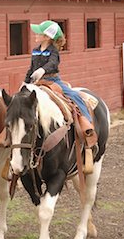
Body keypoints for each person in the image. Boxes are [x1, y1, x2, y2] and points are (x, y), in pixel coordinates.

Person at [24, 20, 97, 159]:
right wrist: (25, 81)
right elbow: (30, 68)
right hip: (36, 82)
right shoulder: (35, 50)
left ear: (47, 37)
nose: (35, 35)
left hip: (52, 80)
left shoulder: (53, 51)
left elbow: (53, 63)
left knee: (74, 96)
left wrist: (42, 70)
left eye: (38, 33)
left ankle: (86, 121)